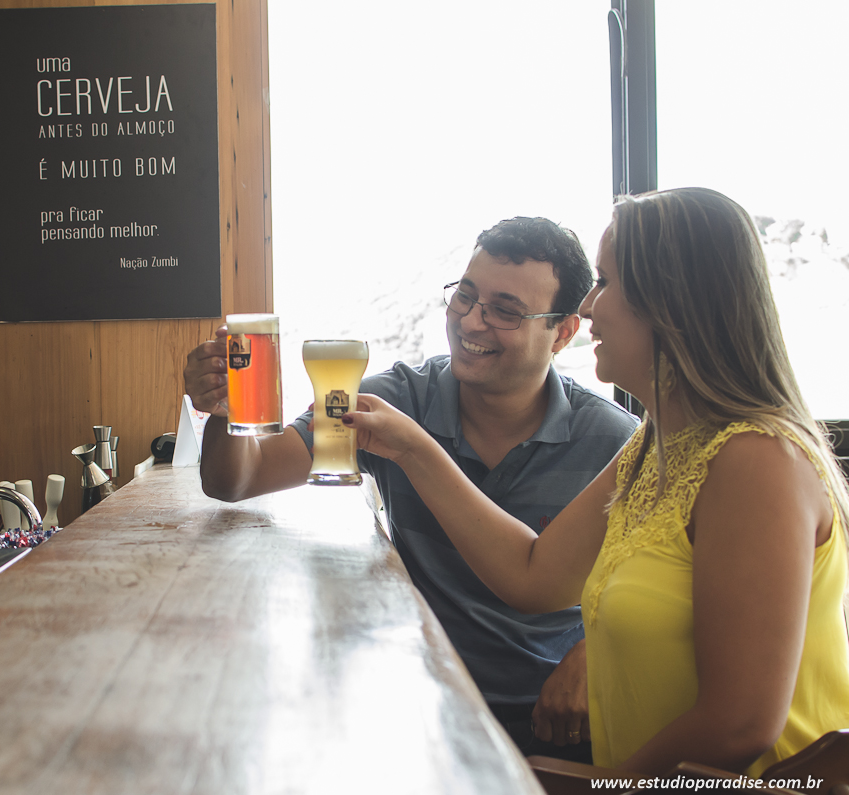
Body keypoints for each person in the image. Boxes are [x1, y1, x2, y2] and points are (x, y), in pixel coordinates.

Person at [341, 187, 849, 776]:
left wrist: (598, 787)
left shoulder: (757, 462)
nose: (589, 305)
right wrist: (412, 447)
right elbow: (533, 577)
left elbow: (739, 725)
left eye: (605, 282)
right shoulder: (654, 442)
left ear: (671, 305)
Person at [185, 216, 639, 761]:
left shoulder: (613, 441)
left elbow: (653, 589)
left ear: (564, 332)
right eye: (465, 297)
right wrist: (222, 409)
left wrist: (596, 651)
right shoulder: (398, 402)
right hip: (420, 707)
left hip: (555, 720)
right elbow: (238, 479)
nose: (472, 321)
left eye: (505, 311)